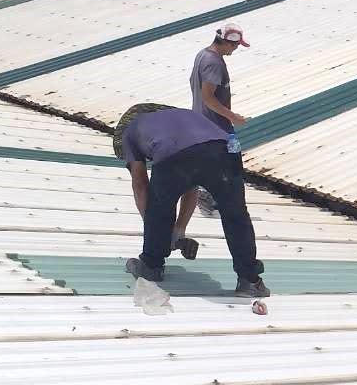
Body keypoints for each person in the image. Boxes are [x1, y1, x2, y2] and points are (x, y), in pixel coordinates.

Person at [113, 103, 269, 298]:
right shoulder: (182, 117)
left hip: (174, 155)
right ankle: (250, 281)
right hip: (225, 150)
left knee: (159, 208)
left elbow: (141, 185)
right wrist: (178, 231)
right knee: (235, 215)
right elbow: (191, 183)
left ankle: (151, 266)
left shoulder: (130, 131)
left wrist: (156, 230)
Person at [190, 22, 250, 216]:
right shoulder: (213, 62)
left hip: (204, 121)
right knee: (231, 162)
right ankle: (217, 201)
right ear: (226, 42)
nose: (235, 49)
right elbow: (208, 97)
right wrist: (233, 117)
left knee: (221, 161)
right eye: (235, 45)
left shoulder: (203, 55)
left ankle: (213, 198)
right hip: (216, 125)